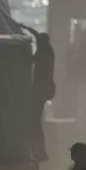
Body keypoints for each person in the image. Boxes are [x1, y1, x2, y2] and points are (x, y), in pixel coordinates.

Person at [30, 30, 56, 162]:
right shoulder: (48, 49)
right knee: (36, 121)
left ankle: (40, 150)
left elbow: (33, 60)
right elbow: (36, 34)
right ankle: (40, 150)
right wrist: (26, 27)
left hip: (41, 91)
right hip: (45, 91)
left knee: (35, 122)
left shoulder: (43, 53)